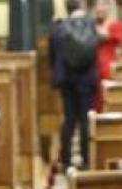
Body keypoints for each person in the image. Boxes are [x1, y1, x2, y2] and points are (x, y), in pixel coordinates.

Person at [49, 0, 98, 170]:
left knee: (69, 119)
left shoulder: (58, 28)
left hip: (66, 80)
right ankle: (86, 160)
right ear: (82, 6)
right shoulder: (91, 24)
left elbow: (52, 56)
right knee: (85, 120)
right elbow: (95, 52)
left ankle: (66, 160)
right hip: (86, 79)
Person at [92, 0, 122, 112]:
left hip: (108, 69)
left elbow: (121, 42)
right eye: (98, 5)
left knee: (108, 102)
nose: (100, 9)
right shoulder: (90, 24)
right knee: (94, 104)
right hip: (92, 69)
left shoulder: (116, 25)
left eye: (103, 5)